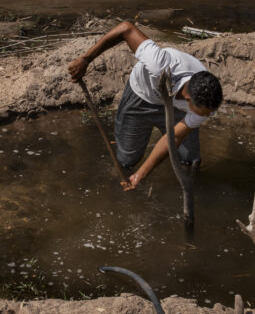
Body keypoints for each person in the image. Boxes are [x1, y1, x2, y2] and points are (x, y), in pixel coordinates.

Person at [68, 21, 223, 191]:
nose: (205, 117)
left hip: (176, 108)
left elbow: (174, 137)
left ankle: (188, 189)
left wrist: (140, 175)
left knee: (190, 160)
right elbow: (126, 28)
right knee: (126, 159)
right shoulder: (159, 65)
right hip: (141, 98)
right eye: (202, 113)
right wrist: (85, 60)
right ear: (188, 99)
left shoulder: (205, 104)